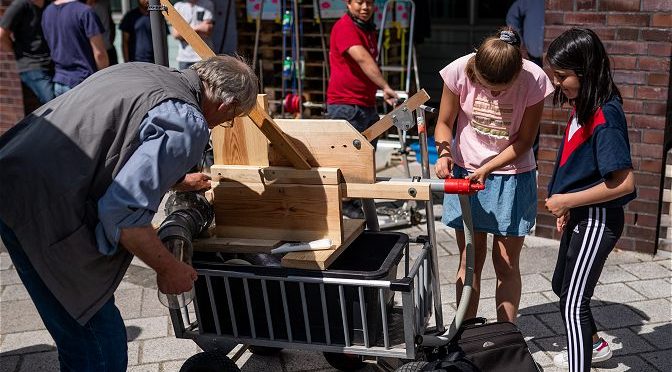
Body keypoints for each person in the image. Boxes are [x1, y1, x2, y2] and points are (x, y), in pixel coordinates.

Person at [0, 55, 258, 372]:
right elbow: (123, 212)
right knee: (100, 350)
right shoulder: (188, 122)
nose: (223, 125)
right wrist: (168, 268)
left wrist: (175, 178)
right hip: (43, 208)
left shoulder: (140, 70)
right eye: (232, 118)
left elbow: (118, 139)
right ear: (227, 105)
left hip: (12, 177)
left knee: (79, 334)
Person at [434, 28, 554, 323]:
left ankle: (505, 338)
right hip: (465, 173)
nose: (496, 94)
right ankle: (464, 330)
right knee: (470, 260)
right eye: (490, 87)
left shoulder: (534, 78)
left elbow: (525, 141)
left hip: (513, 176)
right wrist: (444, 153)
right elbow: (444, 123)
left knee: (506, 264)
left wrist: (488, 168)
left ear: (518, 72)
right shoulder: (460, 70)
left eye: (502, 88)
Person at [544, 28, 636, 371]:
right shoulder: (584, 103)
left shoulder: (605, 115)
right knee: (561, 286)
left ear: (586, 70)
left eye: (562, 76)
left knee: (573, 303)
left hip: (598, 219)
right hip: (583, 215)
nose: (557, 84)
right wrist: (569, 202)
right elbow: (581, 163)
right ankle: (593, 344)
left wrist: (569, 201)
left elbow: (624, 182)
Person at [327, 0, 398, 218]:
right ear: (348, 3)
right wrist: (385, 86)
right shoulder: (345, 27)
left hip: (365, 104)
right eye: (360, 2)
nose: (365, 7)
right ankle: (345, 204)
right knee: (348, 159)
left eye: (369, 2)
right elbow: (363, 59)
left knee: (365, 160)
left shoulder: (366, 28)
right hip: (346, 105)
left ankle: (357, 201)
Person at [41, 0, 109, 95]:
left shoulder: (47, 12)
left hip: (59, 81)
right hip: (84, 82)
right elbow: (100, 54)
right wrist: (105, 79)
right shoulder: (85, 11)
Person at [0, 0, 54, 104]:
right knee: (53, 101)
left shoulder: (49, 3)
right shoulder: (20, 5)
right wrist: (15, 51)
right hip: (31, 65)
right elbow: (2, 34)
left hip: (52, 62)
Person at [172, 0, 214, 69]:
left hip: (204, 56)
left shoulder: (207, 4)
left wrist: (183, 31)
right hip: (184, 58)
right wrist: (198, 28)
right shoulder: (178, 6)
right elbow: (176, 34)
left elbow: (207, 30)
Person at [506, 0, 544, 68]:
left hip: (553, 60)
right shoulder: (529, 1)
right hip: (531, 57)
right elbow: (511, 17)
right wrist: (519, 41)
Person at [89, 0, 118, 65]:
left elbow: (111, 22)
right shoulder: (84, 7)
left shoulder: (105, 3)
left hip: (108, 47)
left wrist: (111, 40)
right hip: (93, 50)